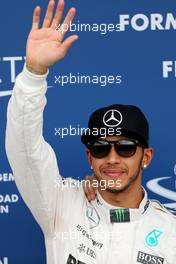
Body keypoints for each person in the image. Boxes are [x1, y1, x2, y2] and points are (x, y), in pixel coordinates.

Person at [5, 0, 176, 263]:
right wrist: (33, 73)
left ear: (146, 157)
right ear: (89, 157)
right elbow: (25, 150)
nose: (112, 158)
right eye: (100, 148)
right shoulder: (60, 205)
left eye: (126, 146)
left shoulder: (171, 233)